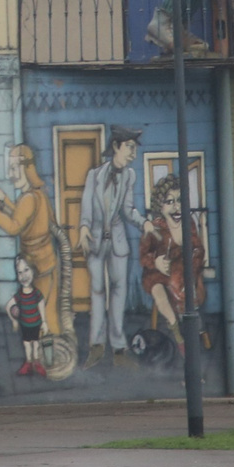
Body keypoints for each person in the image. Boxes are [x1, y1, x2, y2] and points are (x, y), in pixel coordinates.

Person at [0, 145, 62, 343]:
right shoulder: (35, 195)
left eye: (14, 168)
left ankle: (49, 356)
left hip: (37, 266)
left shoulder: (28, 198)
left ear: (26, 169)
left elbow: (15, 227)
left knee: (39, 315)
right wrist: (4, 200)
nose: (10, 174)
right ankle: (53, 354)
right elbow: (23, 219)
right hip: (46, 263)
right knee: (48, 312)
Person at [78, 127, 142, 365]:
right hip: (95, 239)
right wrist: (84, 228)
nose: (133, 154)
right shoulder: (94, 175)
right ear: (116, 146)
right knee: (96, 292)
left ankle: (118, 347)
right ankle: (96, 345)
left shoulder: (129, 176)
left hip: (117, 240)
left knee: (119, 292)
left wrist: (144, 224)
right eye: (130, 148)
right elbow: (86, 206)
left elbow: (127, 210)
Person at [138, 173, 204, 351]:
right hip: (158, 273)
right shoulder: (155, 227)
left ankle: (191, 323)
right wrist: (155, 261)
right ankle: (177, 331)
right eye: (170, 202)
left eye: (179, 200)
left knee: (188, 286)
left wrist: (192, 263)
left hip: (182, 270)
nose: (176, 207)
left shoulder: (188, 223)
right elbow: (143, 256)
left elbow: (198, 248)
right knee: (159, 293)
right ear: (160, 205)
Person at [9, 259, 45, 377]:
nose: (23, 276)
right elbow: (8, 305)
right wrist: (14, 320)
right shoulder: (19, 294)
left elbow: (41, 304)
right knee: (26, 344)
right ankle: (28, 363)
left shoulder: (36, 293)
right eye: (19, 272)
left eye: (26, 270)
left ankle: (37, 362)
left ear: (33, 271)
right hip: (25, 324)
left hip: (36, 323)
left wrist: (44, 321)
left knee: (36, 343)